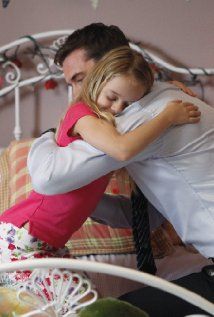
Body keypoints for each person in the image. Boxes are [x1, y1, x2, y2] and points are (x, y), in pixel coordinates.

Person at [0, 47, 199, 282]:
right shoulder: (83, 114)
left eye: (127, 105)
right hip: (23, 236)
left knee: (84, 301)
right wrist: (167, 116)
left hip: (50, 243)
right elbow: (122, 149)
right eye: (112, 97)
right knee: (70, 304)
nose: (117, 108)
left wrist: (167, 89)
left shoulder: (104, 120)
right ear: (96, 81)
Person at [28, 26, 214, 261]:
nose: (76, 94)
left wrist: (47, 136)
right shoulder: (164, 98)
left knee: (108, 300)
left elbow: (47, 177)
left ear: (111, 65)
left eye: (80, 79)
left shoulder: (140, 121)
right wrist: (81, 198)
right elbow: (148, 217)